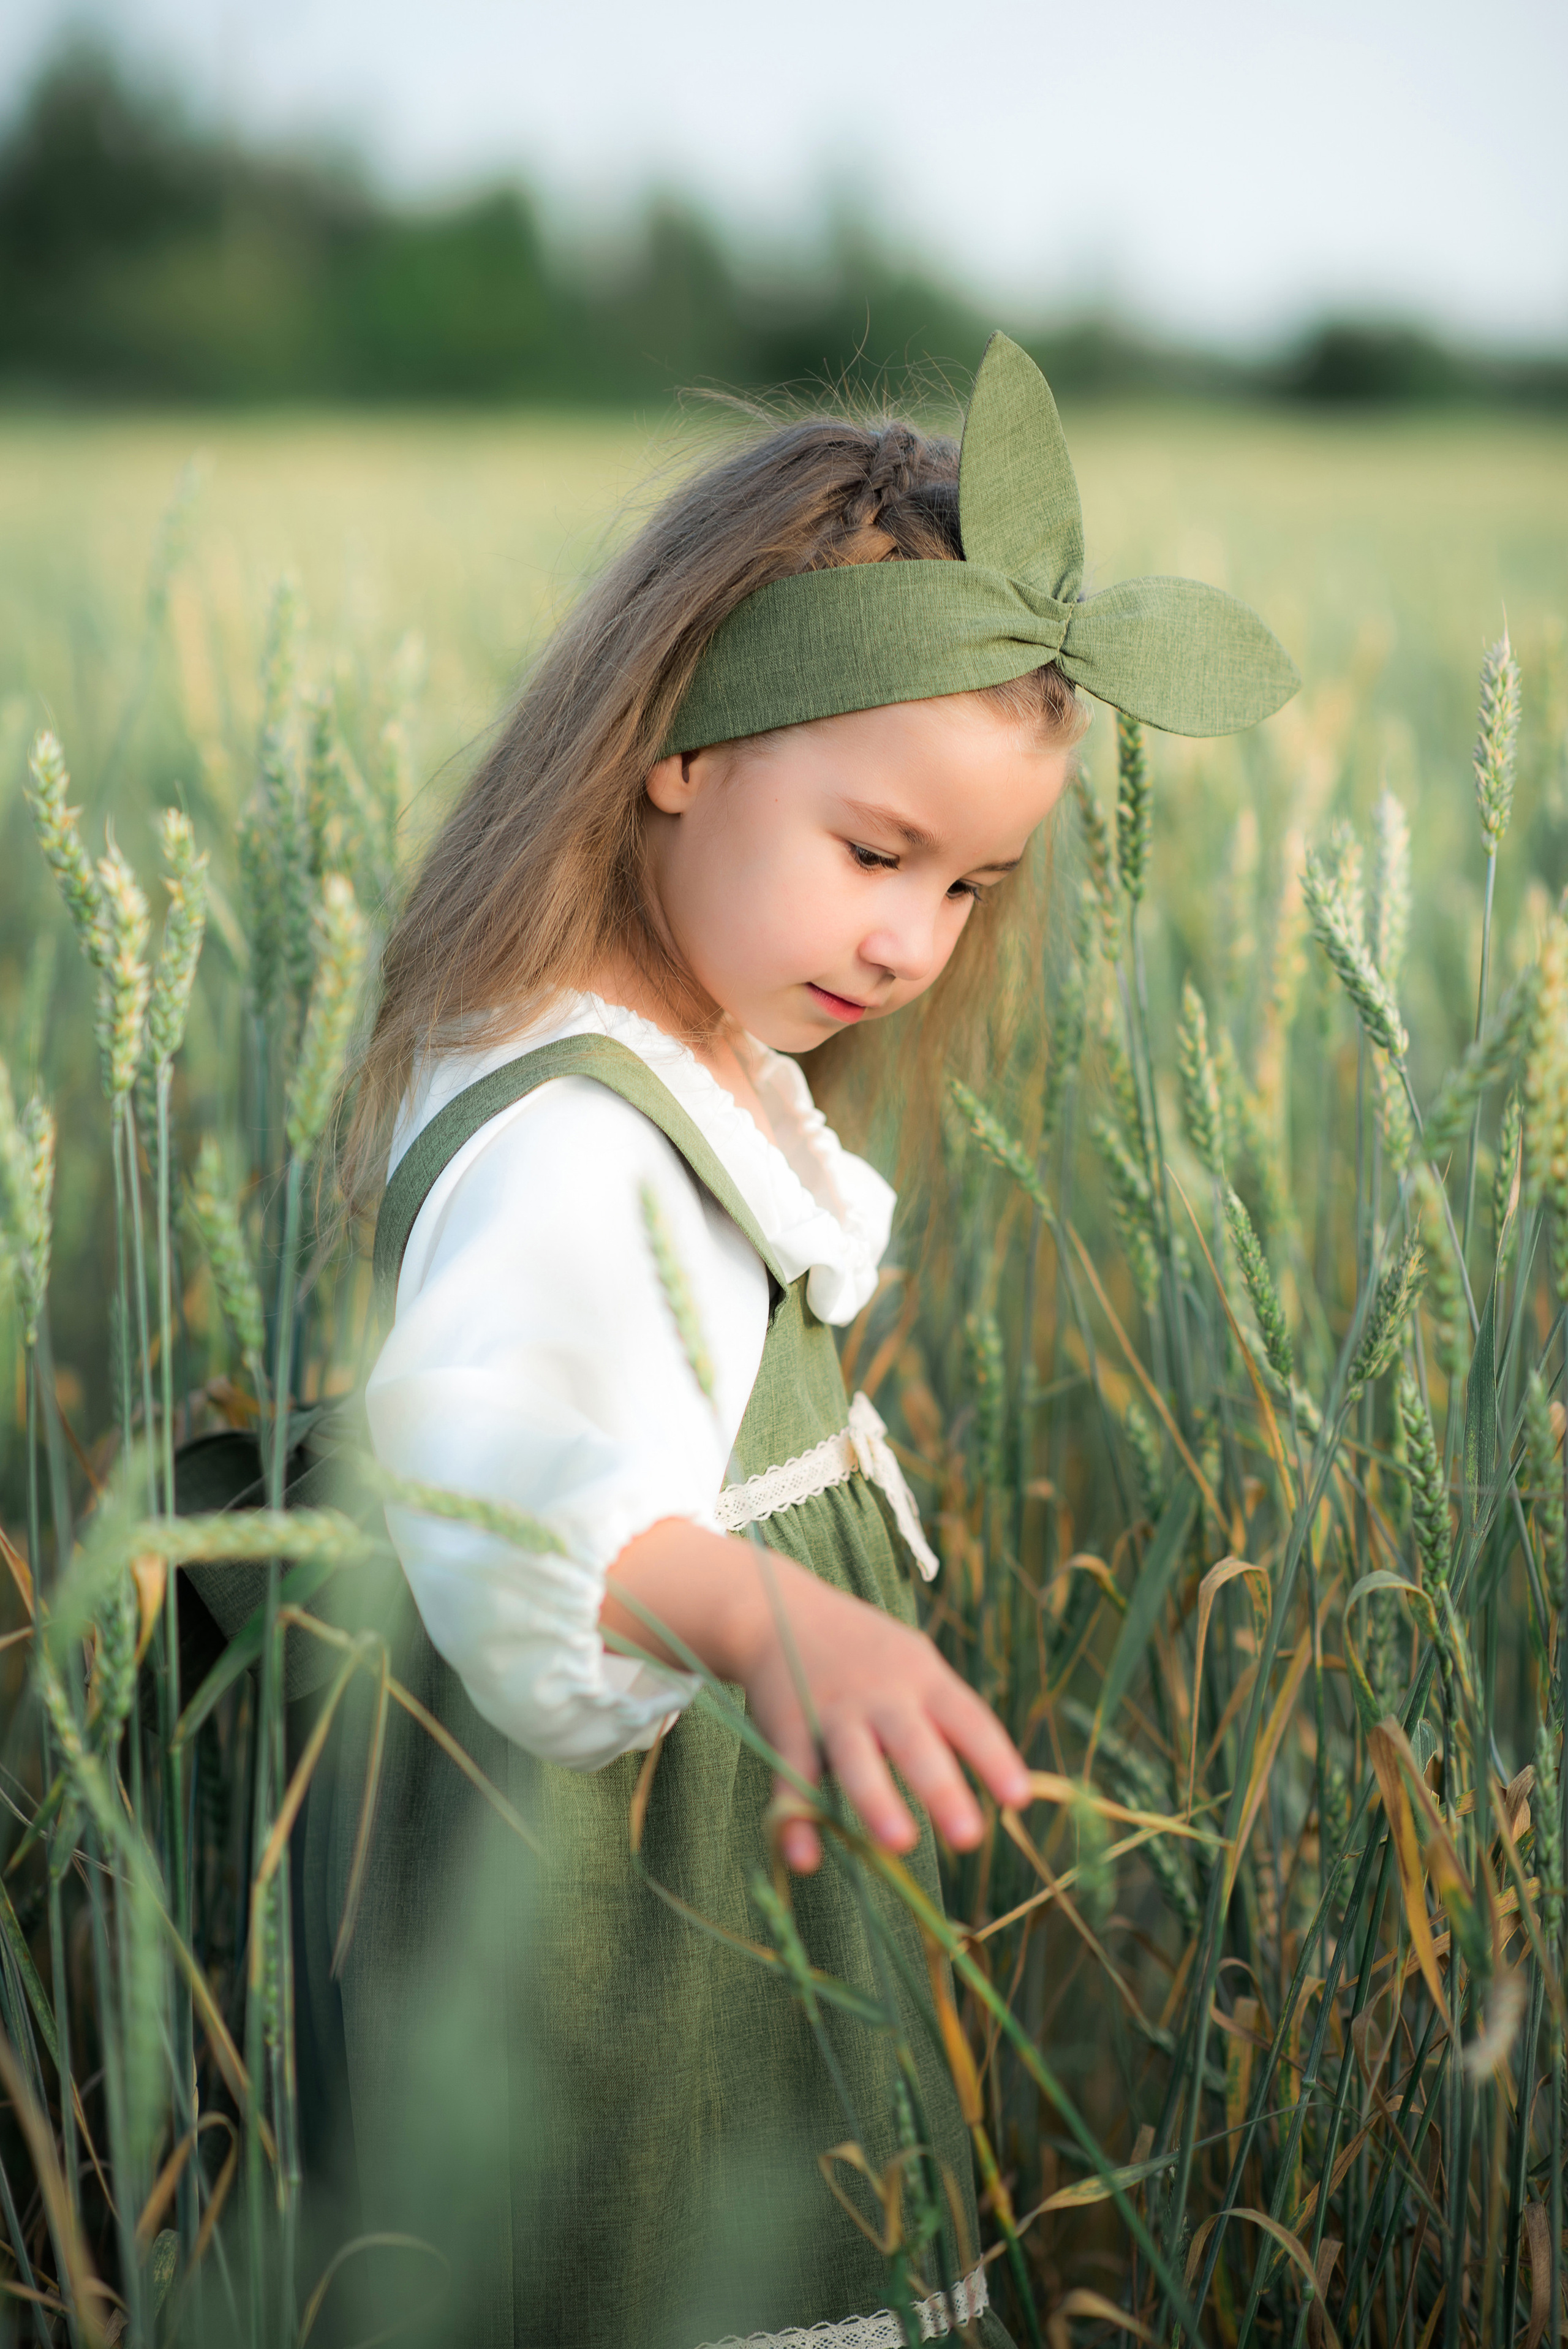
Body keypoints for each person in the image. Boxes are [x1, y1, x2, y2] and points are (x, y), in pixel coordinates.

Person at [301, 333, 1297, 2349]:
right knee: (666, 2244)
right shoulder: (585, 1134)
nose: (914, 942)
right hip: (627, 1925)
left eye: (970, 883)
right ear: (681, 743)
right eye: (876, 852)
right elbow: (487, 1466)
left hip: (708, 1846)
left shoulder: (657, 1034)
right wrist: (774, 1616)